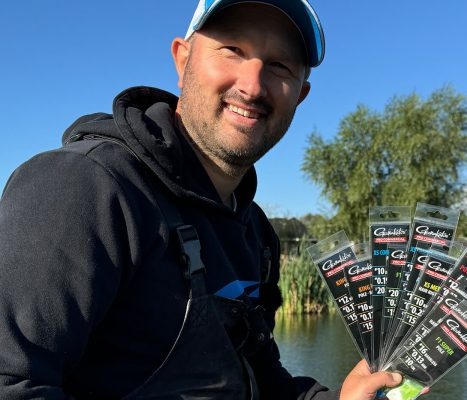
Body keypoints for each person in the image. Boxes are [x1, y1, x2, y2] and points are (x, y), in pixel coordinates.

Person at [0, 0, 404, 399]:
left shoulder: (256, 233)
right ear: (183, 60)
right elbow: (11, 383)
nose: (252, 85)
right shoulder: (83, 186)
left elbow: (263, 383)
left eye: (280, 66)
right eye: (233, 49)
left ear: (300, 95)